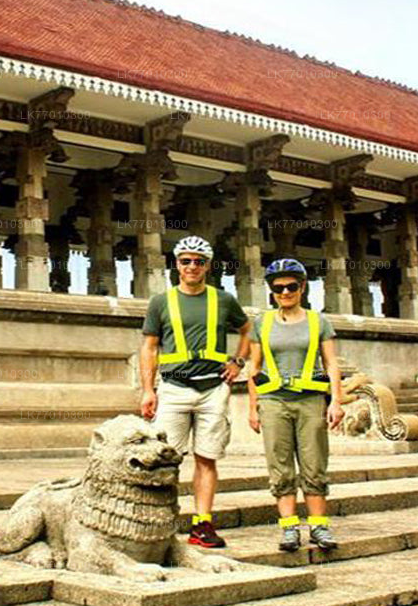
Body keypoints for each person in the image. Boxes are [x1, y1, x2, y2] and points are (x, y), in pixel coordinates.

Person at [139, 235, 252, 548]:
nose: (192, 266)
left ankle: (202, 524)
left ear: (207, 266)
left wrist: (238, 362)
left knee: (207, 458)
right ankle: (161, 520)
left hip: (213, 389)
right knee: (165, 459)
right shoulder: (161, 302)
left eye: (198, 262)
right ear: (176, 265)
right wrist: (148, 390)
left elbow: (247, 330)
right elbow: (149, 347)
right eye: (186, 261)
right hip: (173, 389)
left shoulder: (223, 299)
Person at [246, 258, 345, 552]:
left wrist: (336, 401)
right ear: (271, 291)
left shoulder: (318, 321)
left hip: (310, 400)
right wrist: (253, 407)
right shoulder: (262, 322)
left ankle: (319, 526)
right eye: (278, 288)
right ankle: (289, 529)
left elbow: (331, 363)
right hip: (273, 400)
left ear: (302, 287)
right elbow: (254, 367)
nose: (285, 292)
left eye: (291, 286)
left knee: (314, 463)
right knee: (280, 465)